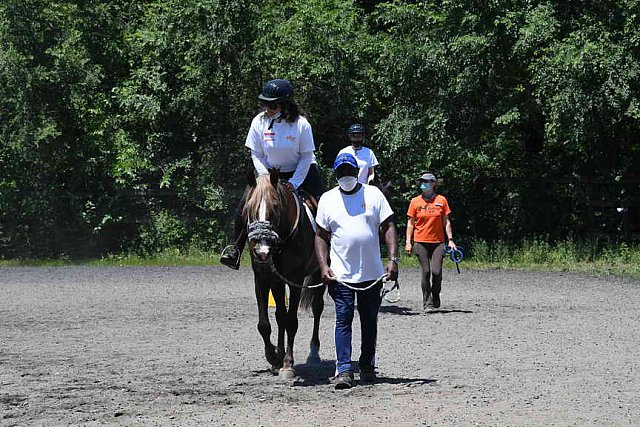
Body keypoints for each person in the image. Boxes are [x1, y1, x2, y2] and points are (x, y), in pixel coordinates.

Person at [220, 79, 325, 269]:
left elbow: (306, 157)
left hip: (301, 172)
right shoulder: (259, 122)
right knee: (243, 206)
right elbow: (256, 153)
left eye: (272, 104)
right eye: (265, 103)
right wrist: (265, 179)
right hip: (267, 174)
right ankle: (235, 248)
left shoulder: (301, 124)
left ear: (284, 104)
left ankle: (330, 251)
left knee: (325, 206)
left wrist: (294, 182)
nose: (267, 108)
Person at [315, 153, 398, 389]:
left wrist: (393, 259)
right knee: (343, 319)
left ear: (357, 172)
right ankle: (343, 370)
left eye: (349, 171)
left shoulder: (374, 194)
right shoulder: (327, 199)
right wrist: (323, 266)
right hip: (341, 275)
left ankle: (367, 364)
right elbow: (320, 236)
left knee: (369, 319)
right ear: (336, 174)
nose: (346, 176)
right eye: (341, 172)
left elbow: (389, 226)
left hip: (371, 274)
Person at [405, 172, 457, 313]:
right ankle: (427, 303)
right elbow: (410, 224)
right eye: (422, 181)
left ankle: (435, 294)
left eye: (426, 181)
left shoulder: (442, 200)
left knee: (436, 272)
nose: (423, 184)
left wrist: (450, 240)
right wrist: (408, 242)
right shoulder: (415, 202)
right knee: (426, 271)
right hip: (420, 241)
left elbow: (446, 222)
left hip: (438, 242)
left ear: (433, 184)